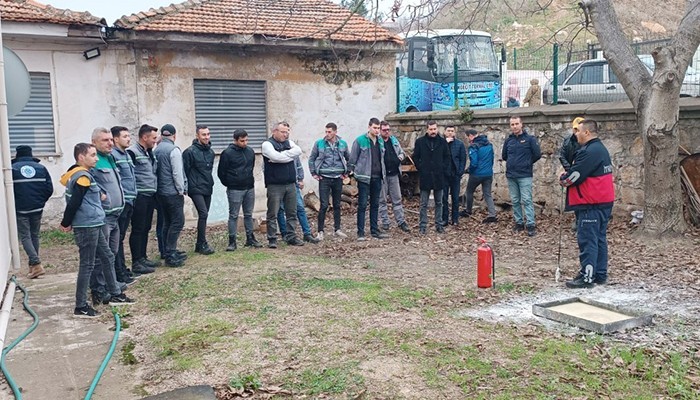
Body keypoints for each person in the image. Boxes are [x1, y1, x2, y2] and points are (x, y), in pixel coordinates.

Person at [60, 143, 135, 318]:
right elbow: (74, 203)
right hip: (87, 226)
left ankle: (115, 294)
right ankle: (81, 306)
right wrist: (66, 222)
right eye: (92, 155)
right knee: (87, 264)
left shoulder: (85, 175)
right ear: (81, 158)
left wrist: (100, 195)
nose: (95, 158)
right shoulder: (81, 177)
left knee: (108, 256)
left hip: (96, 222)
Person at [559, 119, 615, 288]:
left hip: (591, 202)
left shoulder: (590, 151)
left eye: (578, 131)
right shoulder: (600, 149)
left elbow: (574, 177)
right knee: (599, 238)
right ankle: (599, 273)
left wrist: (563, 178)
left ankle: (587, 276)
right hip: (603, 201)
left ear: (587, 133)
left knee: (588, 239)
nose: (576, 134)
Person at [90, 127, 129, 306]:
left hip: (115, 215)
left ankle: (110, 283)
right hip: (104, 216)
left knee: (111, 253)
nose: (110, 143)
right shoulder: (93, 161)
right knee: (101, 255)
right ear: (94, 143)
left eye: (110, 140)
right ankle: (98, 289)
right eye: (105, 140)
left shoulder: (111, 158)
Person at [12, 145, 53, 279]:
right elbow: (49, 188)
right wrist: (41, 201)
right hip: (37, 207)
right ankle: (33, 267)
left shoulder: (13, 169)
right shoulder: (41, 168)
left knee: (25, 236)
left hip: (20, 209)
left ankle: (36, 264)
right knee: (34, 235)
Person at [261, 121, 304, 248]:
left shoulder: (289, 143)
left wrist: (281, 156)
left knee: (292, 212)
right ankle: (272, 238)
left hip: (291, 184)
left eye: (287, 132)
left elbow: (298, 151)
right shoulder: (267, 144)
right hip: (275, 185)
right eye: (283, 132)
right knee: (273, 213)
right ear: (274, 131)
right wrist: (287, 156)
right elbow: (275, 157)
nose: (286, 135)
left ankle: (291, 236)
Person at [218, 129, 262, 251]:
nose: (245, 143)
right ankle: (232, 241)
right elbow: (221, 172)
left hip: (249, 187)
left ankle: (250, 238)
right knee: (233, 215)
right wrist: (230, 183)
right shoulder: (227, 153)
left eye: (247, 140)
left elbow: (251, 167)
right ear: (235, 140)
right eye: (242, 141)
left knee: (248, 214)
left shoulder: (250, 151)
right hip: (235, 188)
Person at [348, 117, 388, 241]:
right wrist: (353, 173)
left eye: (378, 128)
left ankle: (374, 230)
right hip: (364, 177)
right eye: (374, 128)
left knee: (375, 204)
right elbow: (353, 159)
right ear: (369, 127)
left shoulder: (380, 141)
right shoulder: (360, 141)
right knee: (362, 204)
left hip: (377, 176)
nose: (376, 131)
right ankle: (360, 232)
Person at [127, 124, 160, 274]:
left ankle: (143, 257)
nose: (155, 141)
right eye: (153, 138)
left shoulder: (148, 152)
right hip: (140, 195)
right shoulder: (132, 153)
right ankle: (136, 261)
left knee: (146, 227)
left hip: (150, 195)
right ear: (144, 137)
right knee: (138, 228)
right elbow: (129, 175)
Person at [309, 122, 350, 240]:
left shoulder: (342, 144)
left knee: (337, 204)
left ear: (335, 132)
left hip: (338, 178)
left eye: (329, 132)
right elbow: (312, 158)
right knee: (324, 205)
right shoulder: (319, 144)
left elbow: (349, 158)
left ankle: (337, 229)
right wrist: (314, 173)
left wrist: (347, 173)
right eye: (326, 131)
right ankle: (320, 231)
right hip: (324, 178)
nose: (327, 134)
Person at [502, 116, 541, 236]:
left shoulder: (530, 139)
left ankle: (530, 224)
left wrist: (526, 163)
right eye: (512, 124)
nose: (514, 126)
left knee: (527, 200)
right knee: (515, 200)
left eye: (516, 124)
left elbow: (537, 154)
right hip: (511, 175)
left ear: (521, 124)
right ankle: (519, 223)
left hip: (524, 175)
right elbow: (504, 156)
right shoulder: (508, 141)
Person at [154, 124, 187, 267]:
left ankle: (166, 251)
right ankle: (171, 253)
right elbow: (177, 173)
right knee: (178, 222)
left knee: (167, 222)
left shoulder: (157, 149)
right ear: (174, 135)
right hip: (172, 192)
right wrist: (181, 190)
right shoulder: (174, 150)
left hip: (160, 192)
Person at [413, 120, 450, 234]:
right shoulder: (420, 142)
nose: (433, 131)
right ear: (427, 129)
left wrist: (442, 168)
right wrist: (421, 168)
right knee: (424, 203)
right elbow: (415, 157)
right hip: (426, 176)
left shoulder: (443, 142)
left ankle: (438, 224)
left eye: (434, 129)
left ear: (437, 129)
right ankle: (423, 225)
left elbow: (447, 157)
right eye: (431, 129)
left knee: (439, 202)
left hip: (439, 176)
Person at [183, 124, 215, 255]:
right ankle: (202, 243)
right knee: (203, 213)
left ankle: (199, 244)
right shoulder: (189, 152)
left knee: (204, 214)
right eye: (203, 134)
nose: (206, 137)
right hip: (195, 187)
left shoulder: (211, 152)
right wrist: (186, 187)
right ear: (197, 136)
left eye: (208, 134)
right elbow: (185, 170)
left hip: (207, 186)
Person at [111, 126, 138, 280]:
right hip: (122, 201)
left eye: (129, 136)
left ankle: (122, 268)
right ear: (116, 139)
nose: (128, 139)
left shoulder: (127, 155)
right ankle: (118, 271)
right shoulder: (113, 156)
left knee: (120, 238)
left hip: (130, 199)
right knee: (117, 238)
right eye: (125, 136)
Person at [277, 156, 320, 244]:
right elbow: (265, 168)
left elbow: (298, 166)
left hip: (293, 184)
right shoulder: (271, 150)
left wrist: (300, 179)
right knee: (280, 209)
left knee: (300, 207)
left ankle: (307, 234)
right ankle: (285, 234)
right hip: (277, 185)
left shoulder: (292, 149)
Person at [377, 121, 410, 233]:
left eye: (388, 130)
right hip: (382, 175)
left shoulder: (394, 140)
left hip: (394, 174)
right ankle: (385, 222)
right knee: (382, 200)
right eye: (384, 130)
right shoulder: (377, 142)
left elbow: (402, 152)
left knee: (397, 199)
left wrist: (399, 158)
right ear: (380, 131)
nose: (387, 132)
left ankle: (401, 221)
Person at [464, 129, 497, 223]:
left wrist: (468, 170)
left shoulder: (473, 146)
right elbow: (492, 159)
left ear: (470, 136)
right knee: (487, 194)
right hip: (488, 174)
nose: (468, 140)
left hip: (476, 174)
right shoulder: (489, 144)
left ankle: (468, 211)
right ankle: (492, 215)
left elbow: (474, 163)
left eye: (467, 138)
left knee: (469, 192)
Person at [559, 117, 584, 231]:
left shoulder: (586, 143)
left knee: (583, 197)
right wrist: (569, 169)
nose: (576, 131)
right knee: (574, 198)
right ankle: (577, 219)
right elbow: (562, 155)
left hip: (583, 173)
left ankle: (581, 221)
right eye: (575, 129)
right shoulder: (568, 140)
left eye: (578, 129)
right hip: (571, 172)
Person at [441, 125, 466, 226]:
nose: (450, 133)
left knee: (455, 198)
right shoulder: (441, 144)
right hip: (444, 174)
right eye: (448, 131)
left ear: (455, 133)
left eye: (452, 131)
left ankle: (455, 219)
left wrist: (460, 172)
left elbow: (463, 159)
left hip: (455, 174)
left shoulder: (460, 144)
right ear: (445, 132)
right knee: (444, 198)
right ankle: (444, 219)